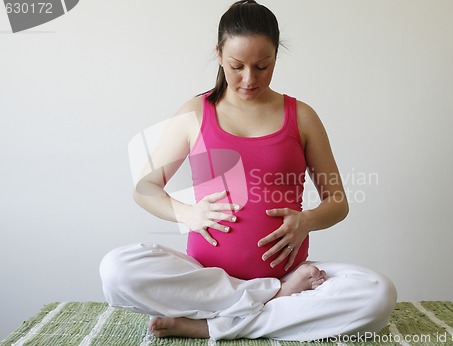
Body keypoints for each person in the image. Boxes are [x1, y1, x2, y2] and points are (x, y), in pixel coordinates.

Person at [100, 0, 397, 342]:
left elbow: (338, 202)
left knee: (377, 293)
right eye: (236, 66)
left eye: (262, 66)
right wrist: (187, 213)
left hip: (290, 272)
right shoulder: (195, 112)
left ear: (275, 57)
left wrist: (307, 220)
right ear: (219, 53)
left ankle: (214, 325)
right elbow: (146, 187)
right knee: (116, 270)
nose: (248, 79)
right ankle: (272, 301)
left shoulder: (302, 117)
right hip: (206, 277)